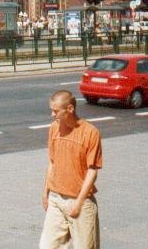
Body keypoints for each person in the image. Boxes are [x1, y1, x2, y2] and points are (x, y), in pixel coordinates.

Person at [39, 90, 102, 249]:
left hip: (80, 201)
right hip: (56, 198)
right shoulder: (54, 128)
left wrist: (79, 202)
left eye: (55, 111)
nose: (52, 114)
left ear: (70, 109)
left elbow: (92, 171)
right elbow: (52, 162)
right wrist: (45, 193)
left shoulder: (90, 132)